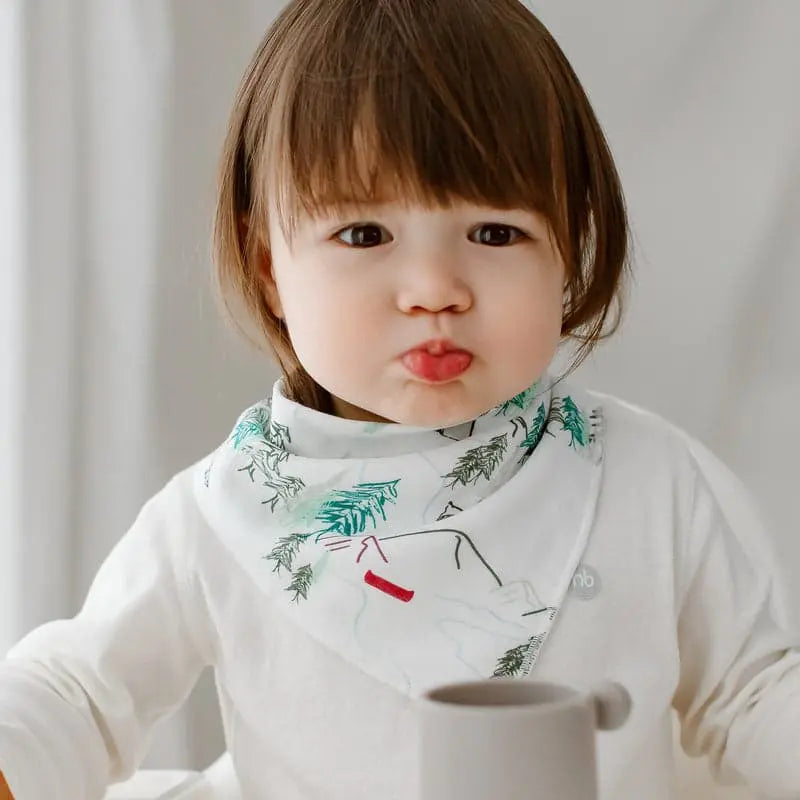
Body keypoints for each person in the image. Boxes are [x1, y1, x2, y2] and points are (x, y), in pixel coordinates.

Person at [1, 0, 799, 797]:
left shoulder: (649, 481)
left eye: (494, 233)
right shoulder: (221, 516)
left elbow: (757, 691)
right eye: (363, 235)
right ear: (270, 266)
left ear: (570, 247)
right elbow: (79, 692)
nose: (434, 290)